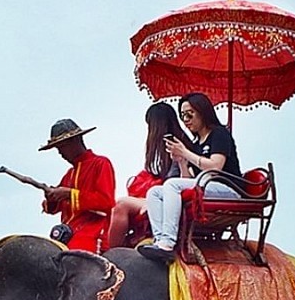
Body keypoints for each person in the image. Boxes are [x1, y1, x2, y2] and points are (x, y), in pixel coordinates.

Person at [137, 92, 242, 264]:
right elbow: (188, 180)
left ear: (202, 112)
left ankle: (168, 243)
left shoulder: (220, 134)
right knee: (155, 192)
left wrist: (185, 152)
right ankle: (160, 238)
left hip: (228, 189)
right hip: (206, 187)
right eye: (182, 115)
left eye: (189, 114)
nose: (186, 120)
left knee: (171, 184)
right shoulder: (196, 143)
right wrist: (182, 162)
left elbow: (215, 166)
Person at [107, 102, 191, 249]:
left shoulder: (177, 145)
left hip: (169, 196)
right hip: (164, 194)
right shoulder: (176, 143)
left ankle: (111, 252)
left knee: (121, 205)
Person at [39, 118, 116, 253]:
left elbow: (106, 202)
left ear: (75, 141)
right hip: (66, 236)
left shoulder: (101, 163)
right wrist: (51, 197)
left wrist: (69, 194)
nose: (60, 153)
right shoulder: (69, 174)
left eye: (62, 147)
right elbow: (54, 208)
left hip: (92, 236)